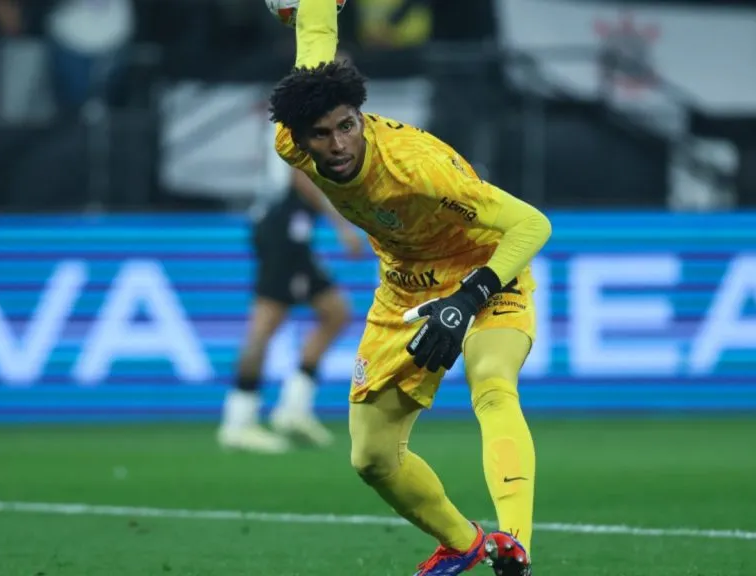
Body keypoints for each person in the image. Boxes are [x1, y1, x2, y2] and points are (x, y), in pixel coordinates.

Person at [267, 1, 551, 574]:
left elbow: (531, 224)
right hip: (403, 287)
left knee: (492, 381)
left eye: (348, 125)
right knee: (371, 457)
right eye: (323, 135)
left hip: (486, 270)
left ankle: (514, 543)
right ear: (302, 138)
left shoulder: (419, 168)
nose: (340, 143)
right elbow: (314, 46)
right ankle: (462, 542)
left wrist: (469, 298)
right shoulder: (290, 142)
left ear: (360, 117)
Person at [217, 129, 363, 454]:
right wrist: (342, 226)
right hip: (284, 230)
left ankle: (294, 407)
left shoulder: (304, 119)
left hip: (291, 227)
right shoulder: (304, 123)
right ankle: (239, 422)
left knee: (335, 312)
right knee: (266, 322)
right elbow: (301, 177)